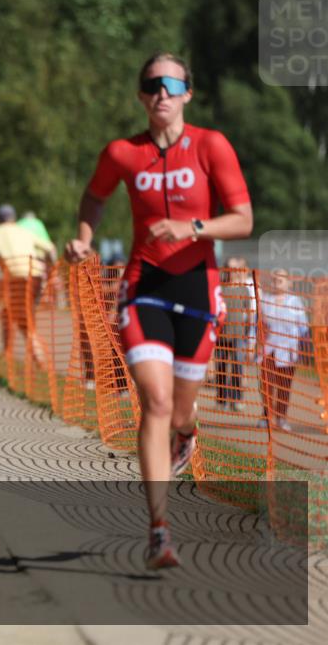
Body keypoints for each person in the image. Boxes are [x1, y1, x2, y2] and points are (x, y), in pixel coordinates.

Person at [65, 53, 253, 569]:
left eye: (171, 83)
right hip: (144, 285)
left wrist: (192, 228)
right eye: (152, 84)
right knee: (156, 401)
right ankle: (158, 530)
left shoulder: (211, 145)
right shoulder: (123, 152)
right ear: (141, 95)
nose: (161, 92)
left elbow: (242, 219)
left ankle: (188, 432)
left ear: (188, 92)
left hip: (198, 289)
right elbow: (94, 197)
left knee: (181, 410)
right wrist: (84, 237)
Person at [0, 203, 57, 365]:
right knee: (9, 314)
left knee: (23, 320)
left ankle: (41, 362)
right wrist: (52, 272)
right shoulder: (23, 230)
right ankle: (12, 356)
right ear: (14, 217)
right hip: (35, 276)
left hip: (19, 279)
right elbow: (51, 248)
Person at [258, 268, 309, 432]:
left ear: (288, 282)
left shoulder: (295, 302)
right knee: (266, 385)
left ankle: (281, 418)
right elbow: (259, 325)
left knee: (284, 386)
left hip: (288, 351)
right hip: (269, 350)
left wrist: (305, 350)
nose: (277, 282)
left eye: (281, 279)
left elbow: (303, 327)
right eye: (274, 279)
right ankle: (267, 416)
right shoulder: (266, 300)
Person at [214, 257, 256, 413]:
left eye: (235, 269)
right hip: (221, 336)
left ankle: (237, 399)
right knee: (221, 368)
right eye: (229, 268)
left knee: (238, 367)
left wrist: (249, 335)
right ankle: (221, 400)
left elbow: (250, 313)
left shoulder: (243, 289)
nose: (232, 272)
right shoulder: (220, 289)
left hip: (239, 335)